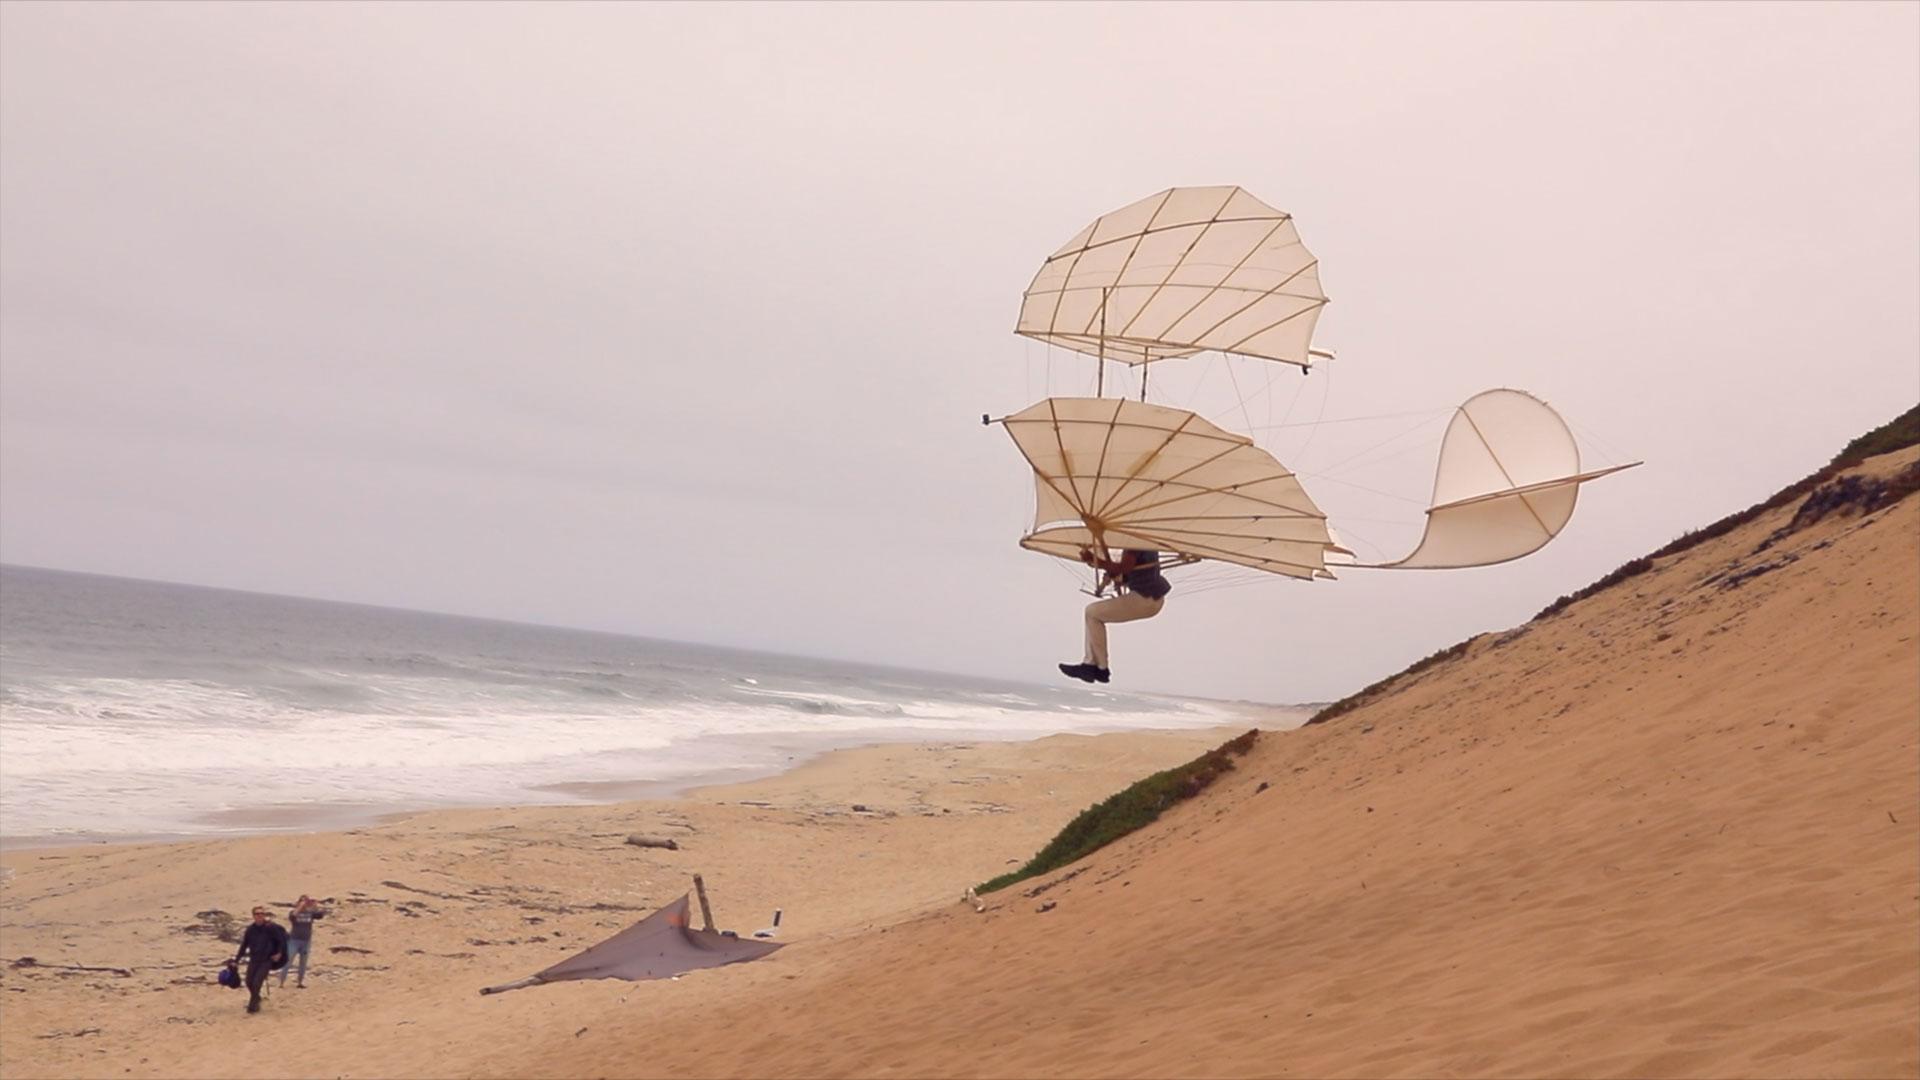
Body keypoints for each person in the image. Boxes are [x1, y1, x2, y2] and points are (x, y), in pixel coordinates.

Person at [1059, 547, 1171, 683]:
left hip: (1144, 599)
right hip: (1155, 600)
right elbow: (1135, 570)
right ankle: (1095, 667)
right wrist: (1118, 576)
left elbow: (1125, 567)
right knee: (1093, 614)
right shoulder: (1146, 544)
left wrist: (1095, 560)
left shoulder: (1134, 541)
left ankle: (1096, 668)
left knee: (1092, 613)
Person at [233, 905, 288, 1014]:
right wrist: (236, 960)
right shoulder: (250, 930)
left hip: (266, 960)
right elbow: (244, 945)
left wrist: (279, 953)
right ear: (253, 916)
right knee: (249, 982)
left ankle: (252, 1007)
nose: (260, 916)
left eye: (262, 914)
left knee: (257, 983)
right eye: (257, 914)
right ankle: (257, 998)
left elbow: (281, 941)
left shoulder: (271, 928)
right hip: (254, 959)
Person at [281, 895, 327, 988]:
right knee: (288, 960)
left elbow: (321, 915)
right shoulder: (293, 912)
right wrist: (300, 907)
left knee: (303, 963)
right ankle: (282, 982)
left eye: (306, 901)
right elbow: (292, 917)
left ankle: (300, 982)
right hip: (294, 940)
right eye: (302, 901)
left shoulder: (310, 913)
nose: (304, 903)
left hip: (306, 941)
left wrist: (315, 906)